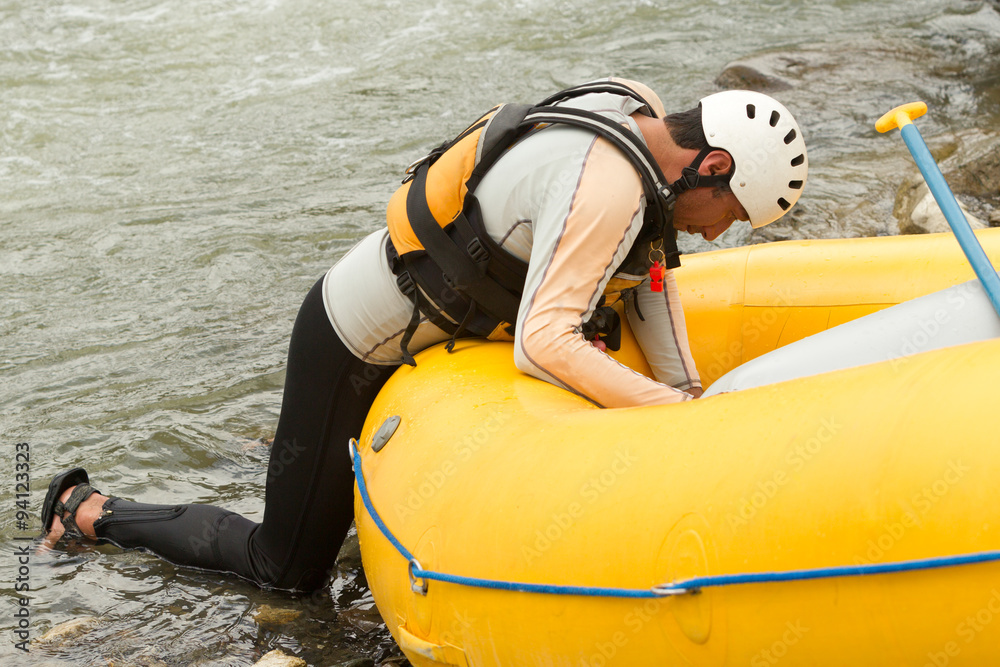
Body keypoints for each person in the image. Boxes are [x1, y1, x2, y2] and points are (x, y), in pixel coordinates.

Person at [41, 79, 807, 592]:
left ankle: (262, 468)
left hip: (423, 332)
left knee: (308, 507)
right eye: (733, 213)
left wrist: (697, 402)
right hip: (348, 345)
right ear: (709, 165)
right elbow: (543, 342)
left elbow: (648, 283)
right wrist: (673, 417)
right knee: (286, 570)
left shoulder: (636, 117)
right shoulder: (607, 186)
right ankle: (86, 508)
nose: (717, 235)